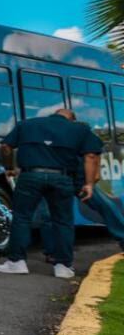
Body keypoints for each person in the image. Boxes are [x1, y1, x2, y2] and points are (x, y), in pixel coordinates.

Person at [0, 107, 102, 278]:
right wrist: (89, 184)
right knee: (63, 221)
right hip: (62, 178)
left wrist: (9, 167)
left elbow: (5, 146)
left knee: (22, 217)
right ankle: (63, 266)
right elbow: (91, 156)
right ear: (71, 119)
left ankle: (16, 262)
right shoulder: (79, 129)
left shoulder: (27, 124)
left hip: (30, 176)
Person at [39, 109, 124, 260]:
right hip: (68, 179)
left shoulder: (75, 130)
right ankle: (53, 252)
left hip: (74, 179)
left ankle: (53, 252)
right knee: (106, 206)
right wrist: (93, 177)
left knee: (50, 215)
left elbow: (94, 153)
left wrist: (93, 177)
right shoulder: (68, 130)